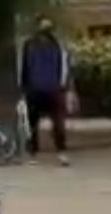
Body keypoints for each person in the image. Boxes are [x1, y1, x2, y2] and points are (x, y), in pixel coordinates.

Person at [19, 15, 72, 165]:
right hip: (37, 89)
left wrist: (64, 87)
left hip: (51, 89)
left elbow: (64, 67)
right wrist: (24, 87)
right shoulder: (30, 45)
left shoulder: (57, 46)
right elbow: (25, 67)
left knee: (56, 123)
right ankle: (35, 152)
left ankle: (60, 152)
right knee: (33, 123)